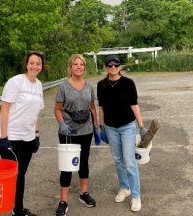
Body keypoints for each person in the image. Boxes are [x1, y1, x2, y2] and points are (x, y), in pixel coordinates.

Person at [0, 51, 45, 216]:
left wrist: (37, 135)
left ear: (41, 66)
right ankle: (14, 209)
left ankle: (17, 209)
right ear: (26, 64)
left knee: (21, 174)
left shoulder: (38, 85)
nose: (35, 66)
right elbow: (5, 109)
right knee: (13, 175)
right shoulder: (16, 82)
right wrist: (3, 137)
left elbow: (36, 112)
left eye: (38, 63)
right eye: (32, 63)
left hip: (28, 137)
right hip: (11, 137)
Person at [97, 54, 147, 212]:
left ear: (120, 66)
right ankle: (124, 188)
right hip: (110, 128)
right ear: (106, 67)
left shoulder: (128, 83)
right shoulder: (101, 85)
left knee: (130, 161)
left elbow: (134, 105)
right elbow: (101, 107)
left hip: (127, 126)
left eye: (115, 65)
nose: (112, 68)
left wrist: (141, 126)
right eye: (109, 65)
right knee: (118, 160)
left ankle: (136, 196)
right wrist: (101, 127)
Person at [54, 54, 98, 216]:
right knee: (67, 166)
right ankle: (63, 201)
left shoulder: (89, 86)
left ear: (84, 68)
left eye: (82, 65)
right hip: (68, 132)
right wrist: (62, 124)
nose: (79, 67)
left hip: (86, 130)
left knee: (83, 162)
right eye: (76, 64)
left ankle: (83, 193)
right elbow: (58, 109)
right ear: (70, 67)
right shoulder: (63, 87)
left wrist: (97, 126)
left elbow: (92, 107)